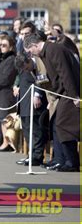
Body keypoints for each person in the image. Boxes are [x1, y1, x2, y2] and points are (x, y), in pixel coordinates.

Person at [24, 34, 80, 172]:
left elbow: (65, 73)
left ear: (34, 45)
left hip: (69, 92)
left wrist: (74, 96)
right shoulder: (46, 52)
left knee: (62, 124)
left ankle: (72, 162)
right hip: (62, 93)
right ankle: (65, 160)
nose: (31, 55)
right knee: (57, 123)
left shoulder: (53, 49)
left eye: (30, 51)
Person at [14, 54, 47, 165]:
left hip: (34, 101)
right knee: (27, 130)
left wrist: (38, 94)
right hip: (24, 100)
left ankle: (37, 157)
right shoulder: (22, 66)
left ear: (28, 61)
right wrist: (15, 85)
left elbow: (41, 78)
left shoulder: (38, 63)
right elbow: (18, 76)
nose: (25, 70)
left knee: (36, 130)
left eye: (26, 67)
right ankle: (31, 154)